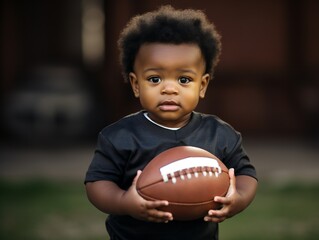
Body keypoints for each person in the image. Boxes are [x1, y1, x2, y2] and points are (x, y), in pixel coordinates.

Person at [85, 5, 257, 240]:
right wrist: (124, 202)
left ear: (202, 85)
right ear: (136, 85)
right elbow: (97, 183)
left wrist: (238, 200)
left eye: (184, 79)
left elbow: (246, 174)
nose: (169, 88)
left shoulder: (219, 134)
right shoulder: (119, 136)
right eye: (154, 79)